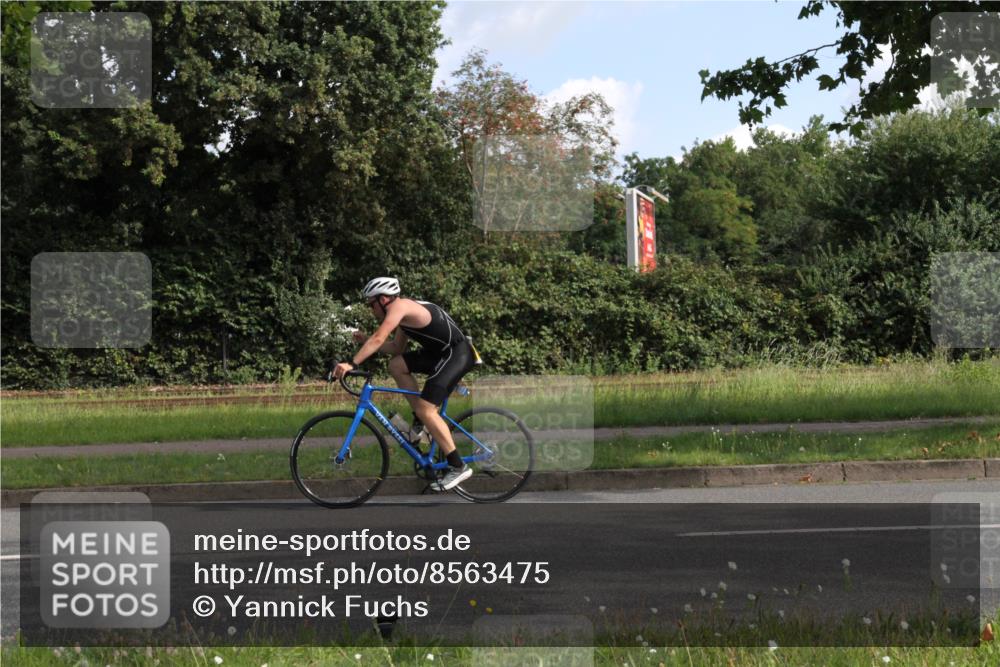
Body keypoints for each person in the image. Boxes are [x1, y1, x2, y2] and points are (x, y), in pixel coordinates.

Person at [331, 277, 479, 491]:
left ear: (383, 300)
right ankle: (421, 421)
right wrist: (365, 341)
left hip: (457, 354)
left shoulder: (400, 307)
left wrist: (352, 363)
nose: (371, 310)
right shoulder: (403, 315)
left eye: (371, 304)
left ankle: (458, 466)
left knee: (428, 410)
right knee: (397, 365)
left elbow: (379, 338)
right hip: (442, 356)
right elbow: (396, 349)